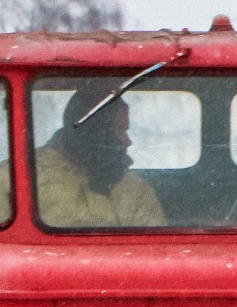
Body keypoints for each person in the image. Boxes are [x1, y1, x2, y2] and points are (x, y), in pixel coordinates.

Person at [24, 86, 166, 227]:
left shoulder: (135, 191)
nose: (128, 141)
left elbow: (157, 246)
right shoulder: (22, 178)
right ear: (94, 130)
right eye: (119, 129)